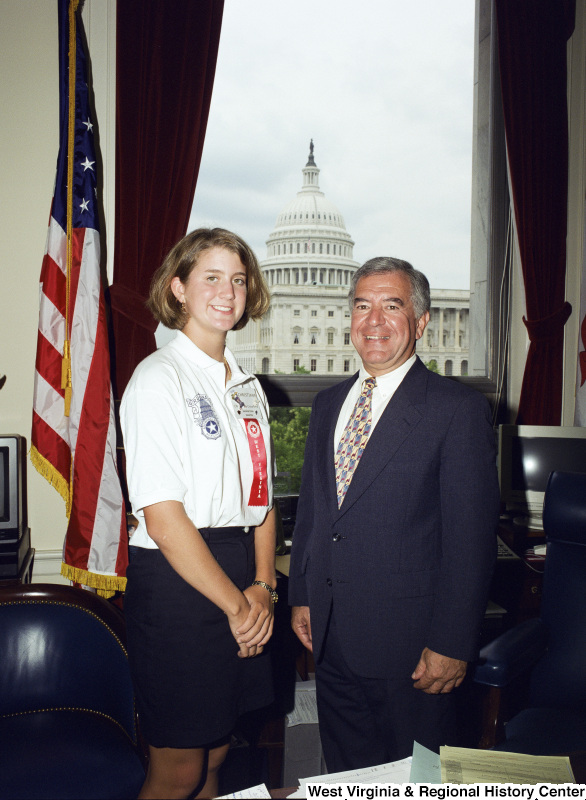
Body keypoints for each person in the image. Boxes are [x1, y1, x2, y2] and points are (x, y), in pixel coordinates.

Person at [288, 256, 499, 772]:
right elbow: (315, 514)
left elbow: (470, 541)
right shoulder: (328, 403)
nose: (373, 320)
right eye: (362, 305)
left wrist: (451, 643)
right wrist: (301, 596)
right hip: (333, 640)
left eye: (391, 305)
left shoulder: (456, 410)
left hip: (414, 651)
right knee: (348, 776)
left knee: (417, 780)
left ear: (421, 322)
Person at [120, 228, 278, 799]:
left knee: (214, 755)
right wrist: (239, 606)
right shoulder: (158, 378)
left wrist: (262, 586)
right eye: (210, 277)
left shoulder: (247, 387)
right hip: (178, 581)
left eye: (237, 279)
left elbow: (260, 499)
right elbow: (163, 518)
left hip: (238, 568)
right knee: (179, 767)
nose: (227, 291)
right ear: (178, 288)